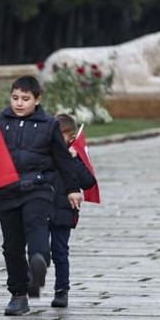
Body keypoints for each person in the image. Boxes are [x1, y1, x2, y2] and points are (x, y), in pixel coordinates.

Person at [0, 76, 83, 316]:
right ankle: (19, 295)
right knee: (11, 245)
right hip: (6, 190)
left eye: (25, 99)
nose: (19, 103)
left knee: (36, 226)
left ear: (37, 100)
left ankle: (39, 262)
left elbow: (63, 158)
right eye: (15, 98)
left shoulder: (48, 124)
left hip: (38, 186)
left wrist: (72, 188)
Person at [49, 113, 97, 308]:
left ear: (71, 138)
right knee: (38, 250)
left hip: (64, 212)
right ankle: (30, 286)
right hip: (40, 209)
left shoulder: (72, 158)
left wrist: (74, 161)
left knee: (59, 251)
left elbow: (88, 181)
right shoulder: (44, 155)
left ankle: (62, 289)